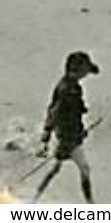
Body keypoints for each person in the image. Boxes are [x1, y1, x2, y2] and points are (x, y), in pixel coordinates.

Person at [35, 51, 98, 203]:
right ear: (77, 70)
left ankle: (34, 198)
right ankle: (91, 204)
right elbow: (56, 113)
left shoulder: (70, 87)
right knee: (81, 169)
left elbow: (60, 112)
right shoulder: (68, 90)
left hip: (69, 135)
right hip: (67, 137)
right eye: (84, 71)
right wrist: (49, 134)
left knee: (57, 169)